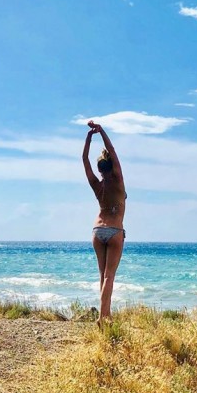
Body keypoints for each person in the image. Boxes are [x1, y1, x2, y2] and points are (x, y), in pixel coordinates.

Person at [82, 120, 126, 324]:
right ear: (111, 166)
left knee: (102, 275)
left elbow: (84, 160)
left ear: (100, 168)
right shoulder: (117, 180)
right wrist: (102, 131)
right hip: (115, 231)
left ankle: (106, 315)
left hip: (97, 230)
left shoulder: (96, 184)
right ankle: (102, 317)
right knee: (109, 276)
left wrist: (89, 137)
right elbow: (113, 150)